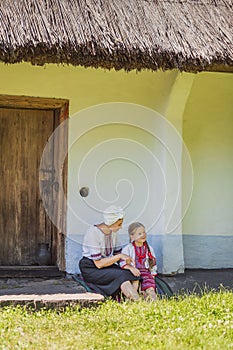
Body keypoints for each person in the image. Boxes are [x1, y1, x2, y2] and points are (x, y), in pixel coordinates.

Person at [79, 206, 142, 300]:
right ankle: (136, 301)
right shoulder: (93, 232)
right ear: (112, 222)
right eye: (119, 224)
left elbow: (118, 255)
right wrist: (120, 256)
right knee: (121, 275)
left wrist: (129, 267)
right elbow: (99, 264)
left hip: (107, 265)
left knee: (131, 274)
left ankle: (133, 300)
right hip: (91, 268)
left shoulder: (114, 232)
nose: (120, 227)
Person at [120, 222, 157, 300]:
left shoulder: (149, 248)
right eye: (139, 233)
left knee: (150, 289)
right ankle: (135, 300)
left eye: (144, 232)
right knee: (135, 283)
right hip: (134, 272)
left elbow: (153, 263)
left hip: (145, 272)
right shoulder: (128, 249)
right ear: (132, 236)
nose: (143, 235)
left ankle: (153, 301)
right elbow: (122, 263)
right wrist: (130, 267)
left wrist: (152, 275)